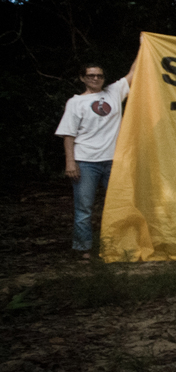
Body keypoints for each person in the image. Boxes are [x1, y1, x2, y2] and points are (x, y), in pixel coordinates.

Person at [56, 59, 136, 258]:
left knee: (120, 205)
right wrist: (70, 162)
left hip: (114, 161)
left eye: (99, 75)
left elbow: (133, 73)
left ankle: (118, 247)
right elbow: (68, 135)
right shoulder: (75, 102)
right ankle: (83, 249)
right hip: (86, 162)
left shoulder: (113, 92)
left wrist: (145, 44)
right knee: (84, 209)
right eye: (91, 75)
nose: (95, 79)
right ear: (83, 78)